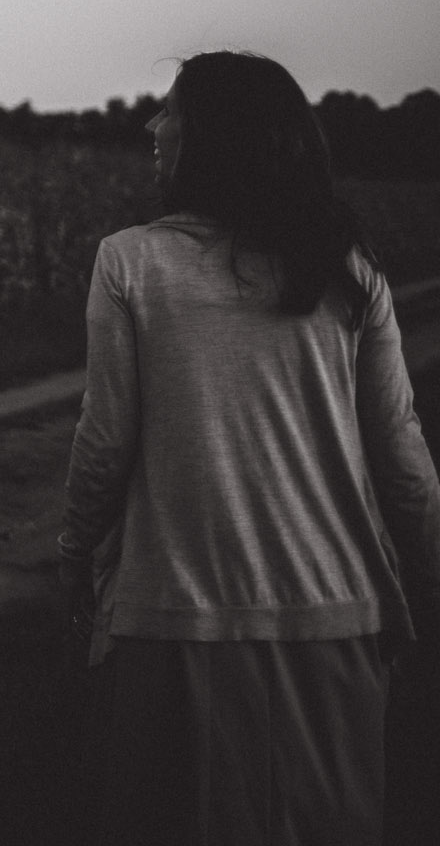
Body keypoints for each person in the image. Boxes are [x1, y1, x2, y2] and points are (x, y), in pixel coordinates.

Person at [58, 52, 440, 846]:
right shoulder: (348, 271)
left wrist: (76, 549)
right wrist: (426, 578)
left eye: (170, 111)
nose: (151, 127)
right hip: (337, 619)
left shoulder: (131, 261)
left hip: (177, 622)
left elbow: (104, 440)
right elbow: (402, 457)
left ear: (215, 136)